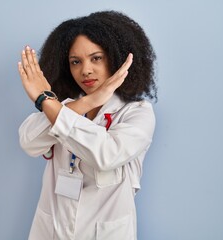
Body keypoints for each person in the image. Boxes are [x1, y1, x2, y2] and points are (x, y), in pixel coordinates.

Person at [17, 10, 157, 240]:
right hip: (53, 231)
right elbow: (29, 142)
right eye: (75, 62)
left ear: (116, 57)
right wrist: (86, 102)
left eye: (96, 58)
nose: (86, 70)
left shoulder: (137, 113)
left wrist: (45, 101)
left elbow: (106, 155)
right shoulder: (66, 107)